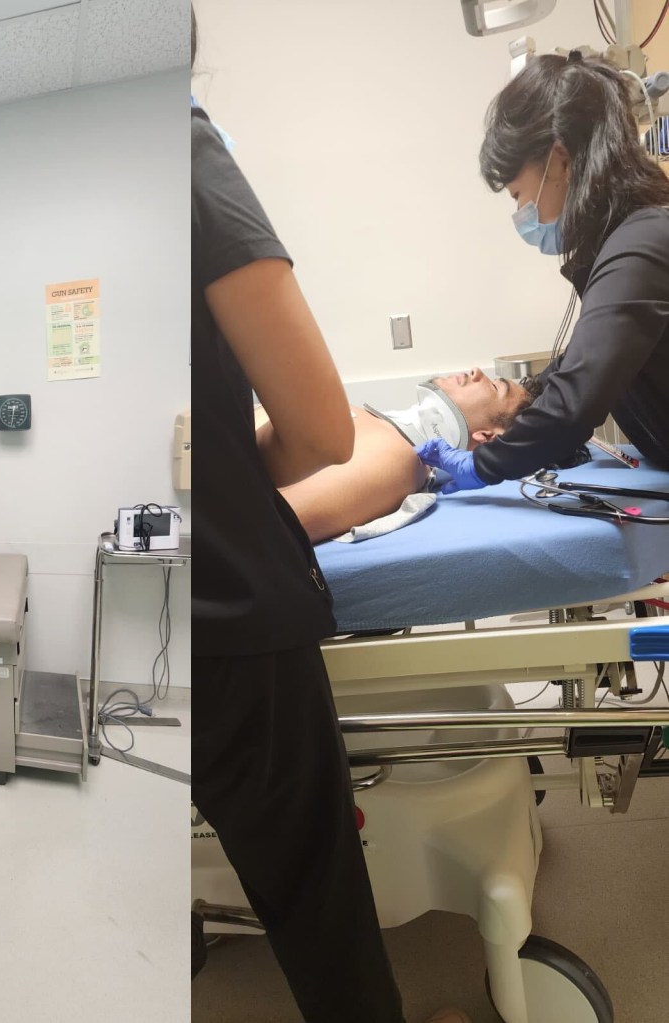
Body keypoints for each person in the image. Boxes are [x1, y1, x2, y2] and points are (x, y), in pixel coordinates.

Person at [190, 9, 472, 1022]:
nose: (492, 383)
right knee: (317, 900)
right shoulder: (182, 153)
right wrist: (444, 412)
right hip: (227, 608)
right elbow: (324, 433)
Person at [416, 51, 669, 492]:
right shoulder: (629, 240)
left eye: (518, 194)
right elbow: (581, 361)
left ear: (562, 160)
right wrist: (527, 392)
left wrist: (484, 465)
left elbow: (576, 400)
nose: (520, 211)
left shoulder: (642, 242)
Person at [281, 369, 537, 543]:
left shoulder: (397, 460)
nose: (476, 371)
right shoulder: (383, 430)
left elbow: (272, 525)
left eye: (493, 386)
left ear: (487, 436)